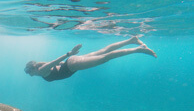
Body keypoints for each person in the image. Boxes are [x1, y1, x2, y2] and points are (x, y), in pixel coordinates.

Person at [24, 36, 157, 82]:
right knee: (103, 52)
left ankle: (138, 49)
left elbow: (55, 62)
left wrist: (69, 53)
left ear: (33, 69)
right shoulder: (40, 68)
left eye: (29, 73)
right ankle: (131, 40)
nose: (30, 75)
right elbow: (54, 63)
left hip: (71, 65)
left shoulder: (41, 71)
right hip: (71, 63)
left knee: (104, 58)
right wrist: (70, 55)